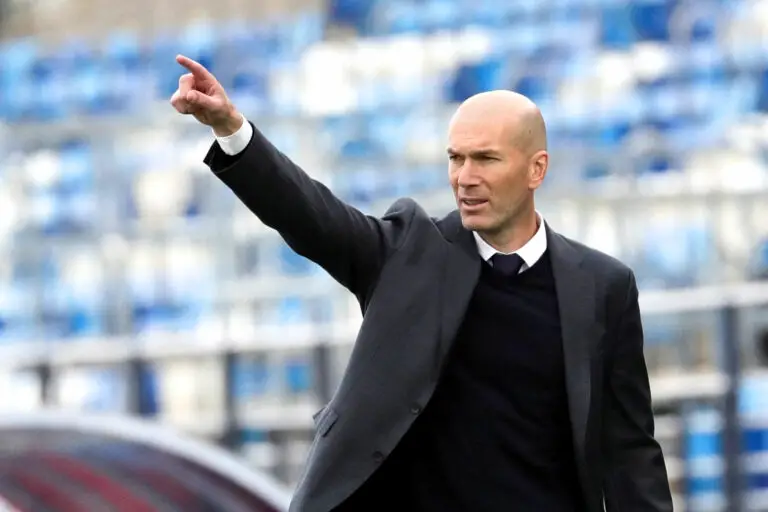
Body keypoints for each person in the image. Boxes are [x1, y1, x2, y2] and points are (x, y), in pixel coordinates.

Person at [171, 54, 673, 512]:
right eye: (456, 158)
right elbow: (312, 217)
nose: (465, 177)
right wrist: (231, 129)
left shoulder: (603, 287)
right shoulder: (409, 252)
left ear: (535, 169)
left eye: (486, 159)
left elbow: (630, 451)